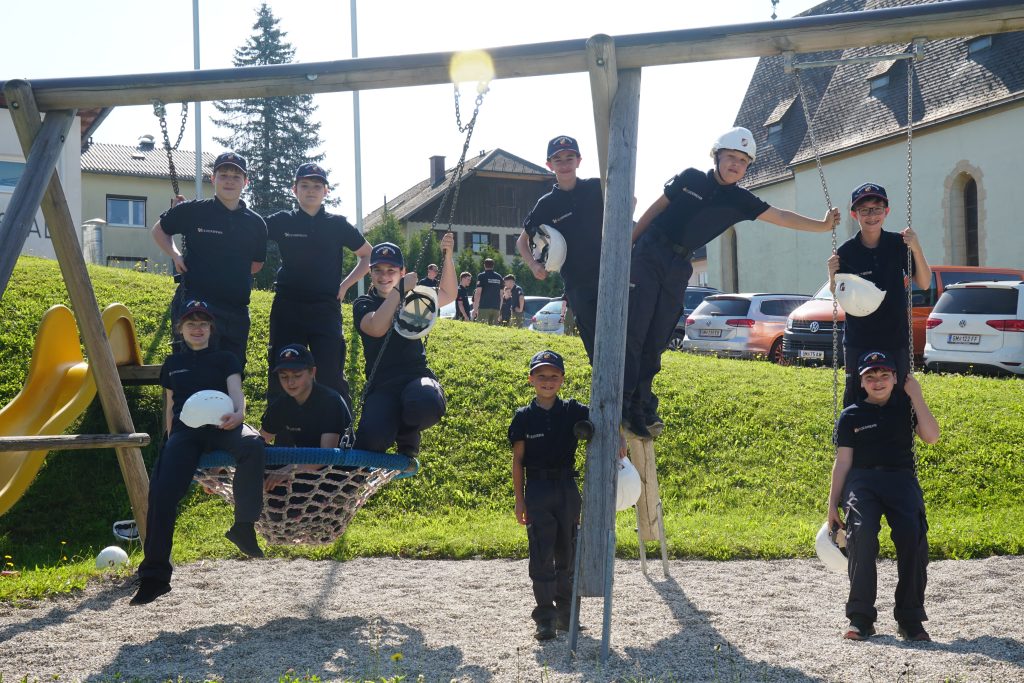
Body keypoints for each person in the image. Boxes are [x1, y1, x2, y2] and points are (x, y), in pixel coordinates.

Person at [623, 127, 840, 437]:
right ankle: (624, 402)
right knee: (636, 329)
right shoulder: (690, 178)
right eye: (731, 157)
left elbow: (781, 216)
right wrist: (630, 243)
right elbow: (656, 208)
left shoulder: (740, 200)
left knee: (658, 336)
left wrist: (822, 226)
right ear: (717, 156)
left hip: (679, 265)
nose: (736, 164)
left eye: (743, 161)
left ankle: (642, 404)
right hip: (650, 252)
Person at [131, 301, 265, 606]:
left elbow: (236, 393)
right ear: (180, 328)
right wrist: (169, 441)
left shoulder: (226, 358)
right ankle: (154, 578)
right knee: (161, 492)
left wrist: (239, 416)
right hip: (186, 433)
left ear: (211, 328)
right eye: (191, 323)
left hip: (223, 425)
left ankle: (244, 526)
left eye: (203, 323)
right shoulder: (172, 363)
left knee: (253, 445)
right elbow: (170, 407)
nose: (197, 328)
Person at [509, 350, 626, 641]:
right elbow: (518, 461)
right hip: (537, 490)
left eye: (553, 375)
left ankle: (566, 615)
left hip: (567, 489)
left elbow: (606, 414)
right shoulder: (523, 417)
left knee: (568, 554)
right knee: (541, 555)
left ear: (562, 379)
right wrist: (520, 500)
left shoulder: (572, 410)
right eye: (541, 375)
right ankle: (545, 619)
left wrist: (620, 435)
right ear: (531, 379)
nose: (547, 381)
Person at [828, 351, 940, 642]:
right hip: (862, 481)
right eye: (870, 377)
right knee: (862, 534)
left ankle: (910, 619)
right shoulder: (851, 415)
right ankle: (861, 618)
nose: (877, 382)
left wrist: (916, 395)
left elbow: (931, 437)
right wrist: (832, 505)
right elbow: (843, 462)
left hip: (901, 479)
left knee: (913, 534)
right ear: (861, 382)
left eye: (884, 375)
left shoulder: (906, 407)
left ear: (894, 378)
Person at [265, 162, 371, 406]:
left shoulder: (338, 224)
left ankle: (339, 427)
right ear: (294, 190)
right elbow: (247, 231)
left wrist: (345, 285)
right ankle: (279, 427)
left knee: (330, 373)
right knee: (282, 371)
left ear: (326, 191)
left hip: (325, 308)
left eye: (316, 186)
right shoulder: (282, 221)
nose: (310, 190)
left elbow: (368, 255)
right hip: (287, 307)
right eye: (304, 185)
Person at [151, 151, 267, 369]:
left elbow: (256, 264)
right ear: (213, 179)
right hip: (195, 308)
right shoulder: (193, 210)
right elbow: (159, 231)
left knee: (232, 372)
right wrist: (175, 255)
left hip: (235, 311)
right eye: (223, 175)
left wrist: (230, 273)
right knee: (192, 372)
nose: (229, 181)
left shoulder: (256, 223)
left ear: (246, 182)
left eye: (236, 176)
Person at [828, 183, 932, 407]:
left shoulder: (898, 244)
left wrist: (916, 248)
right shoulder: (846, 252)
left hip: (894, 336)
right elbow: (839, 296)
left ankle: (899, 431)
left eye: (877, 209)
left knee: (899, 397)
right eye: (864, 210)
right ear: (854, 214)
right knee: (856, 398)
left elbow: (924, 283)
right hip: (859, 338)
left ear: (886, 212)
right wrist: (831, 275)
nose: (871, 215)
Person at [353, 235, 456, 457]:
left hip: (415, 377)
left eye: (391, 271)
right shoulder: (364, 303)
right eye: (378, 270)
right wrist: (399, 290)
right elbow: (376, 327)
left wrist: (448, 257)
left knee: (427, 402)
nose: (384, 276)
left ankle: (407, 435)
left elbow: (448, 294)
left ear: (402, 272)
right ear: (370, 273)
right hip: (382, 385)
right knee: (371, 440)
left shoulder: (415, 298)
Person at [518, 136, 603, 362]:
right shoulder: (546, 204)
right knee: (595, 346)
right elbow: (521, 241)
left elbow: (630, 201)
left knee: (624, 338)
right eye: (558, 160)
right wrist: (533, 265)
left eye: (569, 158)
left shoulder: (597, 187)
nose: (564, 164)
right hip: (578, 283)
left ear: (579, 160)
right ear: (549, 165)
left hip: (611, 275)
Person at [260, 343, 352, 494]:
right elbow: (261, 440)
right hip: (301, 467)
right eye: (284, 377)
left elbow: (327, 455)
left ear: (312, 372)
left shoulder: (330, 401)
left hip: (334, 475)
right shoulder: (282, 404)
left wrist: (289, 469)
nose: (290, 383)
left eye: (297, 376)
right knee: (255, 455)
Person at [473, 258, 504, 325]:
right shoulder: (499, 277)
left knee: (482, 328)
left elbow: (478, 293)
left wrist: (475, 309)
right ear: (493, 266)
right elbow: (501, 296)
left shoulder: (481, 276)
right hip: (496, 308)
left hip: (484, 307)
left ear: (484, 265)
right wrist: (499, 309)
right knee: (493, 329)